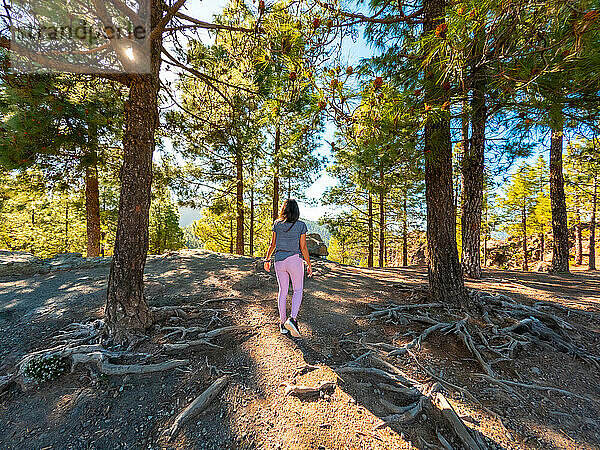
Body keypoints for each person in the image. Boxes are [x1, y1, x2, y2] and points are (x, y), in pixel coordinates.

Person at [263, 199, 312, 337]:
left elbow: (272, 244)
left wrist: (267, 259)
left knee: (283, 291)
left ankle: (282, 323)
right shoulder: (301, 225)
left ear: (283, 210)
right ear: (296, 211)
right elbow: (303, 247)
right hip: (294, 261)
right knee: (297, 290)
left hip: (279, 261)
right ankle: (293, 320)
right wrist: (309, 264)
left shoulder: (277, 224)